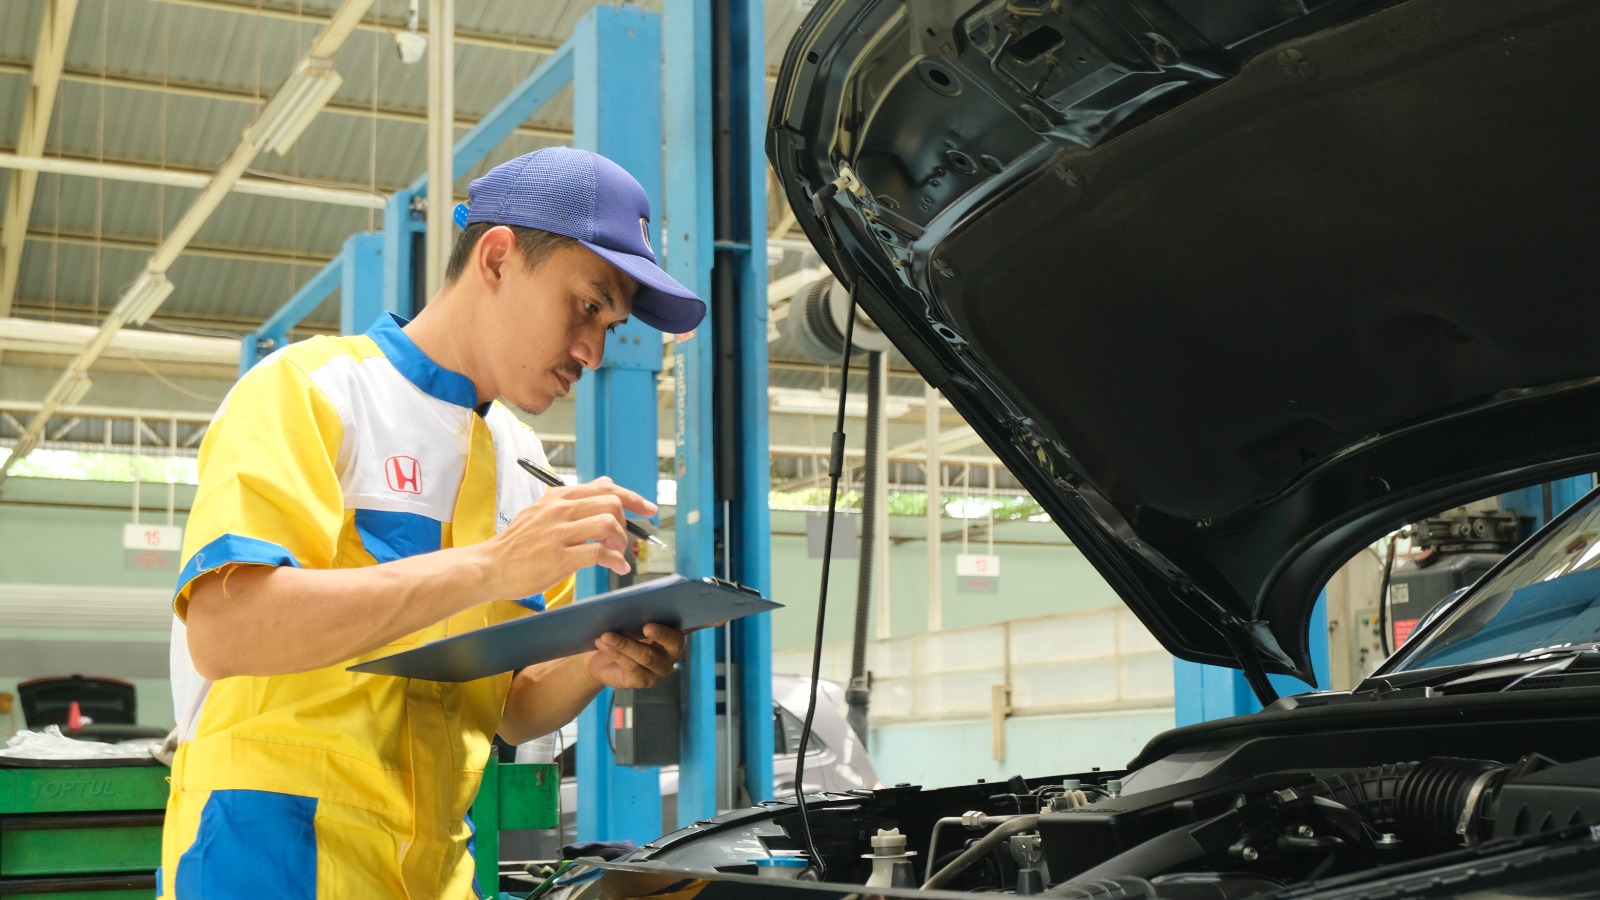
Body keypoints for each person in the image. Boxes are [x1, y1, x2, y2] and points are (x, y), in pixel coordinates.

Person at [158, 147, 706, 897]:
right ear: (497, 258)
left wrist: (594, 663)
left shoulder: (516, 455)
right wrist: (489, 567)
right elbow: (226, 631)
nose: (593, 350)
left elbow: (511, 709)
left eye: (611, 325)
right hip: (269, 852)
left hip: (432, 865)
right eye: (587, 305)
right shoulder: (312, 390)